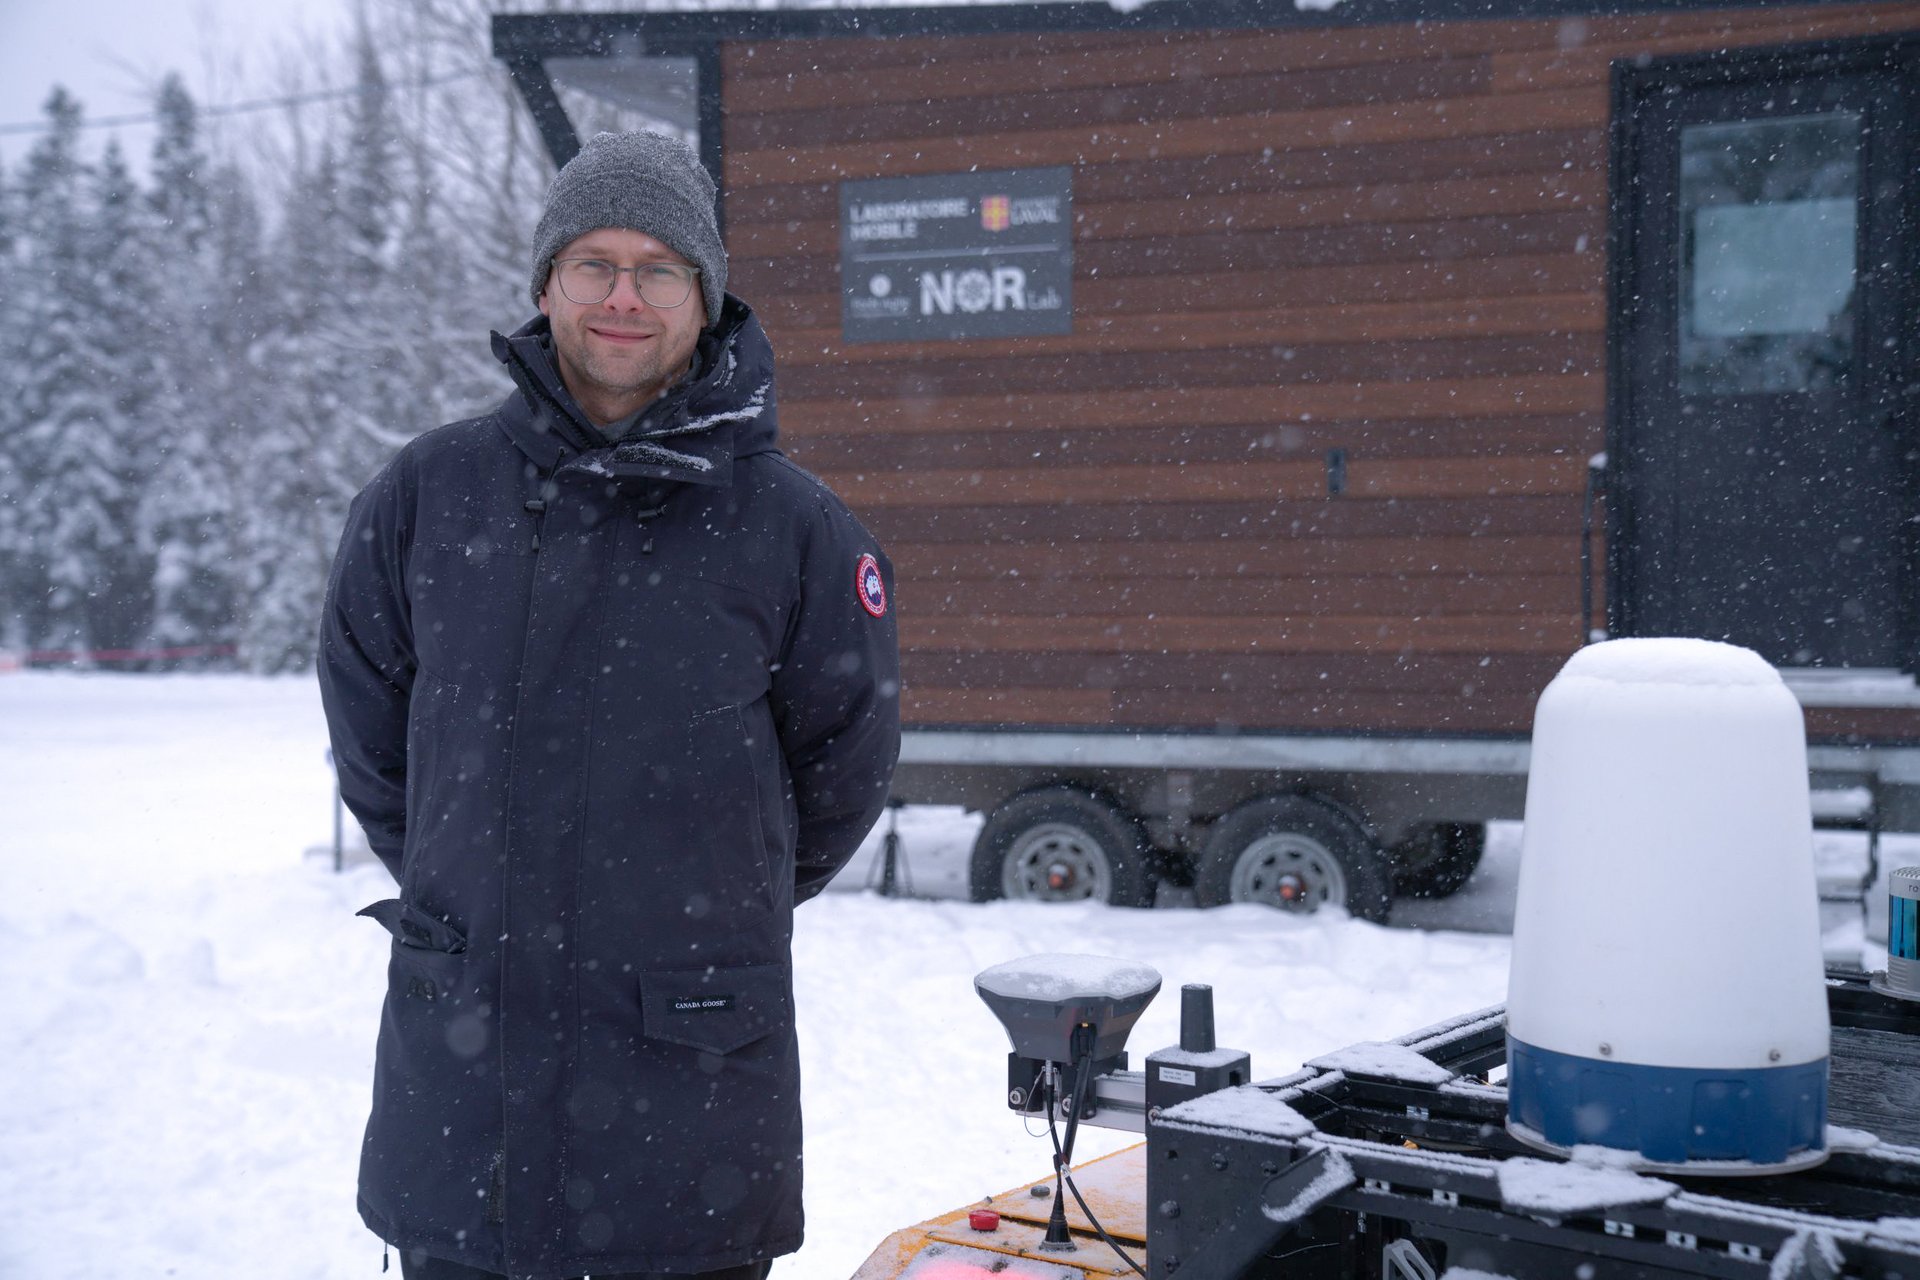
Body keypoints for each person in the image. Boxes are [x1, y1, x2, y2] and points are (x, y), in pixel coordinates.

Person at [318, 131, 901, 1280]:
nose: (623, 294)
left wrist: (694, 906)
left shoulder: (797, 529)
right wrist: (468, 885)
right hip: (463, 1115)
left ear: (707, 295)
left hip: (690, 1112)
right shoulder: (425, 497)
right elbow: (374, 741)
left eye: (659, 266)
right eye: (594, 262)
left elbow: (843, 764)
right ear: (547, 283)